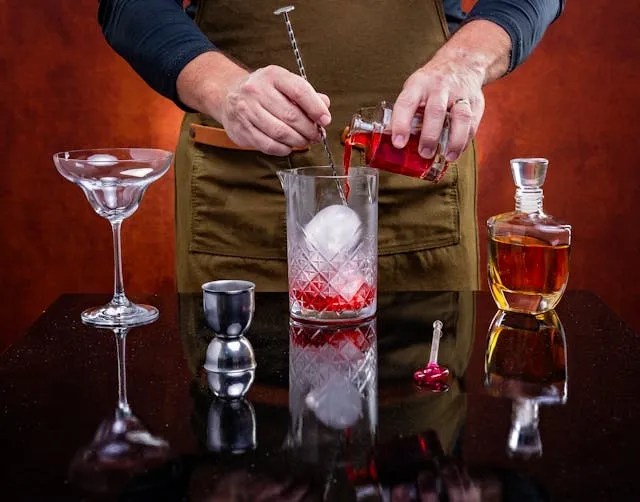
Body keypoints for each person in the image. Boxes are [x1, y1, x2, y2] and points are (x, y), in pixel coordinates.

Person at [97, 0, 565, 293]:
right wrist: (222, 89)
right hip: (243, 203)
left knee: (422, 430)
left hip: (419, 199)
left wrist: (465, 61)